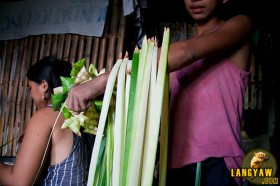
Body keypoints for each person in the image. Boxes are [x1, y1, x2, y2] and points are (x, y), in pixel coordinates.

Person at [66, 0, 253, 185]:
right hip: (170, 166)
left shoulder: (239, 26)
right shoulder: (174, 56)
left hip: (215, 163)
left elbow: (187, 52)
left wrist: (105, 80)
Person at [0, 56, 95, 186]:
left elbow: (18, 182)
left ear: (44, 86)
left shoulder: (45, 116)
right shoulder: (83, 118)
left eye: (30, 88)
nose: (30, 94)